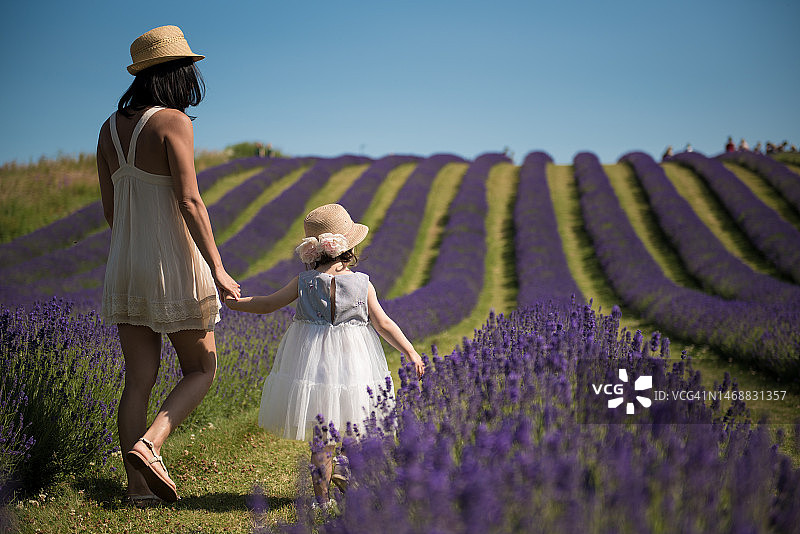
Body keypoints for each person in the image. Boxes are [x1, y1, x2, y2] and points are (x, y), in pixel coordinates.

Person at [96, 25, 241, 507]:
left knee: (137, 379)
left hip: (126, 263)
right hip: (172, 262)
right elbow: (189, 199)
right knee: (202, 367)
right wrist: (217, 268)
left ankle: (138, 493)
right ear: (177, 73)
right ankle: (152, 444)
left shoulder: (107, 130)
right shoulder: (173, 121)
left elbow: (112, 211)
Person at [225, 203, 425, 506]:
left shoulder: (303, 282)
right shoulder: (361, 282)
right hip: (354, 359)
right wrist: (410, 351)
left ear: (313, 250)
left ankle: (321, 500)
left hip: (312, 359)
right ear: (349, 246)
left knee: (322, 433)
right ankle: (348, 472)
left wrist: (237, 304)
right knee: (354, 423)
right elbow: (383, 323)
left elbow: (267, 304)